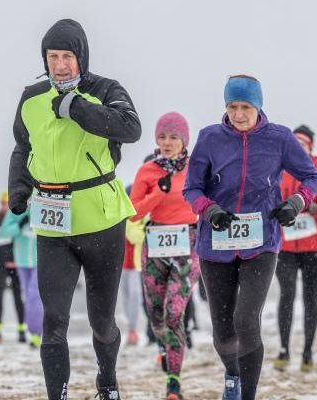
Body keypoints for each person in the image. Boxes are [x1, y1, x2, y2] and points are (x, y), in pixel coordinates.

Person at [7, 19, 141, 400]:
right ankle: (58, 394)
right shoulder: (31, 97)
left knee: (101, 321)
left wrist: (77, 106)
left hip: (102, 220)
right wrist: (19, 186)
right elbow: (22, 146)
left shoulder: (105, 89)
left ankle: (108, 381)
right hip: (52, 221)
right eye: (53, 56)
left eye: (67, 56)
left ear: (81, 56)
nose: (60, 64)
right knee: (55, 320)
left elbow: (130, 128)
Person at [184, 75, 317, 400]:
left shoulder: (280, 138)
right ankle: (232, 373)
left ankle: (247, 394)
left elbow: (311, 177)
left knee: (246, 320)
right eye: (233, 106)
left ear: (258, 106)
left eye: (246, 106)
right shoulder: (209, 138)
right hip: (216, 244)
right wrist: (210, 209)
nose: (239, 114)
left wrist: (295, 203)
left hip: (262, 242)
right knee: (223, 333)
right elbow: (191, 187)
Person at [130, 111, 198, 400]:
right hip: (155, 245)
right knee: (156, 315)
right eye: (162, 137)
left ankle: (173, 381)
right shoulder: (148, 171)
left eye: (174, 137)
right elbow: (133, 213)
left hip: (189, 244)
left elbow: (210, 199)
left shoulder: (197, 169)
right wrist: (158, 192)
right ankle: (164, 347)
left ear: (184, 141)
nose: (167, 142)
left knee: (173, 313)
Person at [272, 125, 317, 373]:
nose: (299, 147)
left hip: (316, 249)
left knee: (311, 299)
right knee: (286, 296)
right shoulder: (279, 172)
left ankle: (307, 352)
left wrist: (312, 209)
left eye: (303, 144)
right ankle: (283, 350)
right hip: (286, 247)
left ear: (310, 147)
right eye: (295, 143)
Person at [0, 204, 44, 348]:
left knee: (35, 295)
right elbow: (4, 232)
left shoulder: (42, 206)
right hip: (22, 260)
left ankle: (37, 331)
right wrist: (20, 224)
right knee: (28, 296)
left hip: (40, 259)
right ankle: (35, 331)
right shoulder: (16, 210)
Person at [0, 192, 26, 344]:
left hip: (15, 263)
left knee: (18, 296)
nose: (5, 207)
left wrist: (14, 260)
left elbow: (19, 241)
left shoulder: (18, 217)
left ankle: (22, 330)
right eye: (3, 203)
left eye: (7, 204)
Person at [121, 185, 145, 346]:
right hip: (122, 265)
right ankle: (131, 329)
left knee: (135, 297)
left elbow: (136, 237)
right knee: (126, 298)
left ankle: (133, 330)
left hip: (136, 265)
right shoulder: (121, 217)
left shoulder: (140, 217)